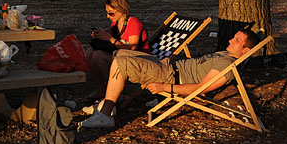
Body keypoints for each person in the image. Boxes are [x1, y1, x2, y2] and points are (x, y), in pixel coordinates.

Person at [82, 29, 261, 128]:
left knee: (122, 65)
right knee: (120, 54)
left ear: (245, 52)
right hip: (167, 65)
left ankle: (105, 115)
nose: (230, 40)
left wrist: (165, 88)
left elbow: (201, 88)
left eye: (236, 40)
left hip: (168, 76)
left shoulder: (227, 65)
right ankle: (109, 103)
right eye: (233, 36)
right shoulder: (225, 53)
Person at [83, 0, 150, 107]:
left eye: (111, 13)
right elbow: (116, 45)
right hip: (123, 58)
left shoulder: (133, 22)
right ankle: (101, 89)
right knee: (90, 53)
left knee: (99, 56)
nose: (108, 17)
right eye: (107, 13)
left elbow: (132, 49)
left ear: (121, 9)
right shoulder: (115, 25)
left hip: (139, 61)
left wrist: (109, 39)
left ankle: (113, 93)